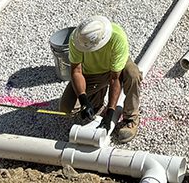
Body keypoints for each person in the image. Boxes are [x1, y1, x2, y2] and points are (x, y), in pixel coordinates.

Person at [60, 15, 141, 143]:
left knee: (133, 75)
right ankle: (96, 103)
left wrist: (110, 112)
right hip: (92, 72)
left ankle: (131, 118)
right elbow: (76, 71)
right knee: (67, 107)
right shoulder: (78, 39)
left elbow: (115, 78)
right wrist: (83, 99)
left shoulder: (117, 38)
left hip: (115, 69)